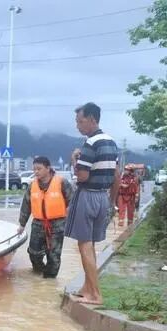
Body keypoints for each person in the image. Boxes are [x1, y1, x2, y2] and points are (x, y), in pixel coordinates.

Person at [65, 102, 120, 305]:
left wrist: (74, 161)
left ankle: (95, 294)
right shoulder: (111, 143)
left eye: (80, 121)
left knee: (84, 244)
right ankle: (87, 288)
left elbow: (82, 176)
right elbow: (116, 176)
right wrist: (112, 203)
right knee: (92, 243)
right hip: (103, 198)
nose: (78, 126)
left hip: (87, 195)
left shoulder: (90, 144)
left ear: (92, 119)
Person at [17, 157, 73, 278]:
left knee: (53, 255)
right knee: (33, 253)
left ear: (48, 168)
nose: (36, 172)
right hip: (38, 223)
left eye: (39, 169)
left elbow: (72, 201)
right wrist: (22, 224)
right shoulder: (32, 186)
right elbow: (26, 206)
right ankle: (38, 274)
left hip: (57, 224)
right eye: (34, 169)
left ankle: (49, 281)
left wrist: (71, 220)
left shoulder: (62, 182)